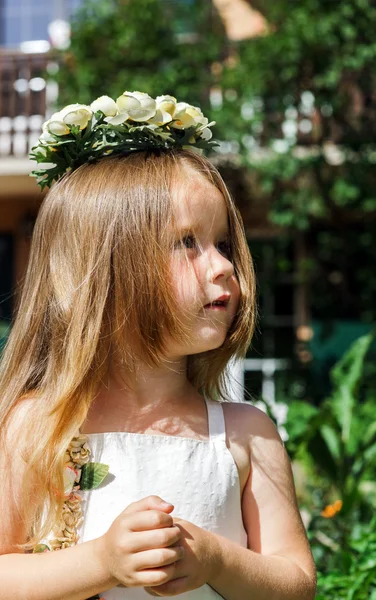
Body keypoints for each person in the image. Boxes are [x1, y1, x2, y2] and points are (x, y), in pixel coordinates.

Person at [0, 92, 317, 600]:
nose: (224, 267)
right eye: (188, 243)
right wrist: (102, 561)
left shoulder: (244, 434)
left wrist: (215, 558)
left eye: (224, 245)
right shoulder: (39, 428)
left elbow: (297, 584)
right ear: (106, 270)